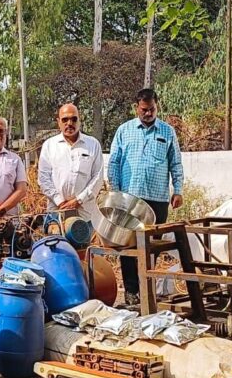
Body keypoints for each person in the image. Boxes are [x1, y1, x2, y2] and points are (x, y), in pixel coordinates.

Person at [108, 88, 185, 304]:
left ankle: (146, 289)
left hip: (158, 199)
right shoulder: (124, 131)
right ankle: (132, 292)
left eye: (151, 109)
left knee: (151, 248)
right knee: (127, 246)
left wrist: (178, 190)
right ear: (137, 108)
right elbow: (114, 162)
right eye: (144, 110)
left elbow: (176, 163)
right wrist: (115, 191)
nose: (148, 113)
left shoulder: (167, 132)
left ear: (156, 106)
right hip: (129, 199)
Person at [37, 103, 104, 223]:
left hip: (85, 214)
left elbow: (97, 178)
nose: (69, 123)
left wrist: (79, 200)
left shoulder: (93, 144)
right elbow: (43, 178)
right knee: (56, 236)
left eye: (74, 119)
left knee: (85, 236)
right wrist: (60, 201)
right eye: (65, 120)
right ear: (58, 122)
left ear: (80, 120)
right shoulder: (49, 145)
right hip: (56, 213)